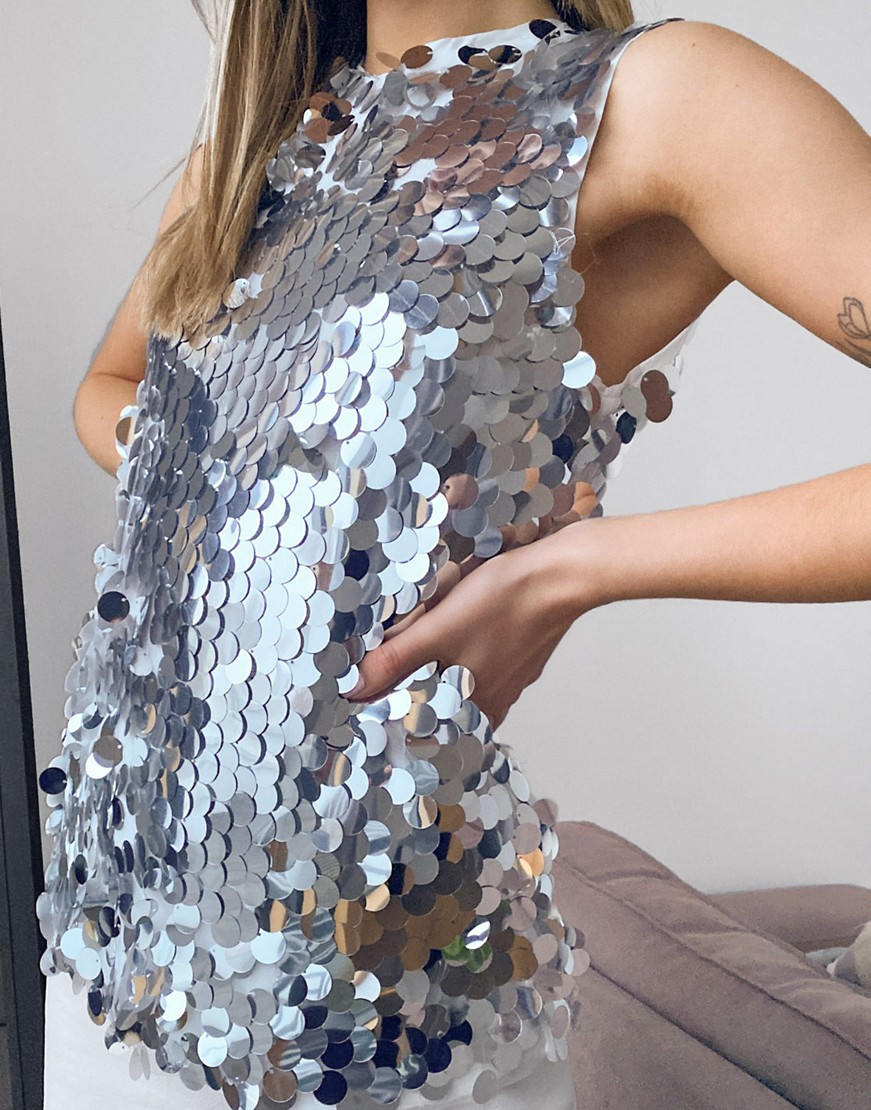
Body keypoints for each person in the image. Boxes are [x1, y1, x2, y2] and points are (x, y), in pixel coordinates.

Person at [38, 0, 871, 1107]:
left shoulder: (652, 96)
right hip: (110, 954)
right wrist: (255, 485)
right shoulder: (264, 147)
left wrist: (573, 570)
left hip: (375, 1013)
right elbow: (112, 388)